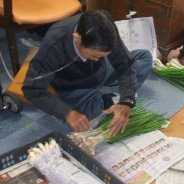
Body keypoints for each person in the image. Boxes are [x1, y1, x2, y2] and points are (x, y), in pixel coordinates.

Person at [23, 10, 153, 135]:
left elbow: (125, 64)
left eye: (102, 56)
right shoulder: (55, 43)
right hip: (73, 85)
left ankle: (108, 98)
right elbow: (32, 89)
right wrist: (67, 113)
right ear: (77, 39)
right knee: (87, 115)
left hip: (102, 73)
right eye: (94, 56)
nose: (98, 60)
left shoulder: (106, 29)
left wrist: (127, 101)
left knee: (145, 57)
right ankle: (104, 98)